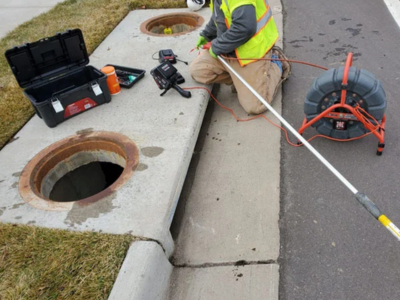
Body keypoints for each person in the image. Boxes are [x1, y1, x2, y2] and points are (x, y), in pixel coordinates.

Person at [190, 0, 291, 115]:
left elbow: (244, 27)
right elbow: (219, 14)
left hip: (250, 54)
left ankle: (276, 63)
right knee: (198, 71)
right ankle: (240, 80)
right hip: (228, 49)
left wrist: (217, 46)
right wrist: (207, 34)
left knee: (255, 106)